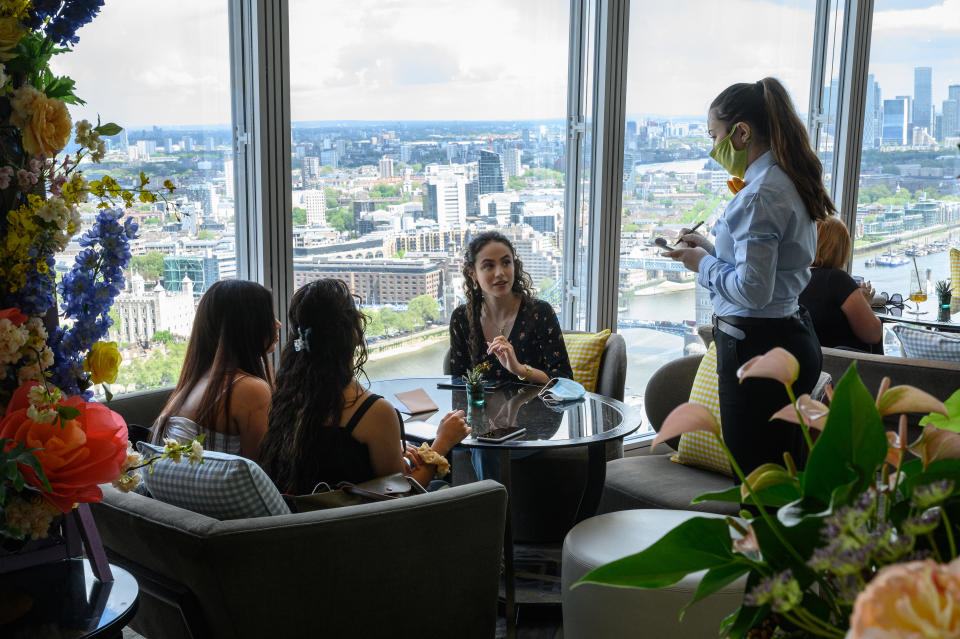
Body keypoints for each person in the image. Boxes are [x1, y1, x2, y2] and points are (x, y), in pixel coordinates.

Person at [663, 77, 827, 476]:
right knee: (778, 475)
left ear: (741, 132)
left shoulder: (759, 195)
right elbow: (762, 264)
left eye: (714, 135)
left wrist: (700, 264)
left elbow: (753, 290)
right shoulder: (785, 181)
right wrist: (709, 245)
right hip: (786, 336)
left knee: (755, 479)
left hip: (756, 346)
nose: (712, 147)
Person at [259, 279, 470, 494]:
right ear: (353, 333)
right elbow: (401, 497)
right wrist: (442, 443)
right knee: (444, 486)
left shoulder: (284, 398)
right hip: (358, 525)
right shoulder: (374, 412)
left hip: (303, 520)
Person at [151, 280, 278, 461]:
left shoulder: (194, 382)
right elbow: (263, 472)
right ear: (248, 324)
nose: (277, 324)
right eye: (268, 315)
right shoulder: (250, 389)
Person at [449, 231, 573, 384]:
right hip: (480, 408)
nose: (500, 273)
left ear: (515, 266)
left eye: (506, 263)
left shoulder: (540, 313)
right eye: (488, 266)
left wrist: (520, 370)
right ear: (472, 273)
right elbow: (457, 383)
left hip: (536, 407)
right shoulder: (461, 318)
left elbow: (565, 380)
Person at [799, 215, 882, 352]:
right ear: (841, 249)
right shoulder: (836, 279)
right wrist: (866, 304)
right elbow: (873, 335)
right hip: (843, 368)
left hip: (810, 363)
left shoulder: (792, 278)